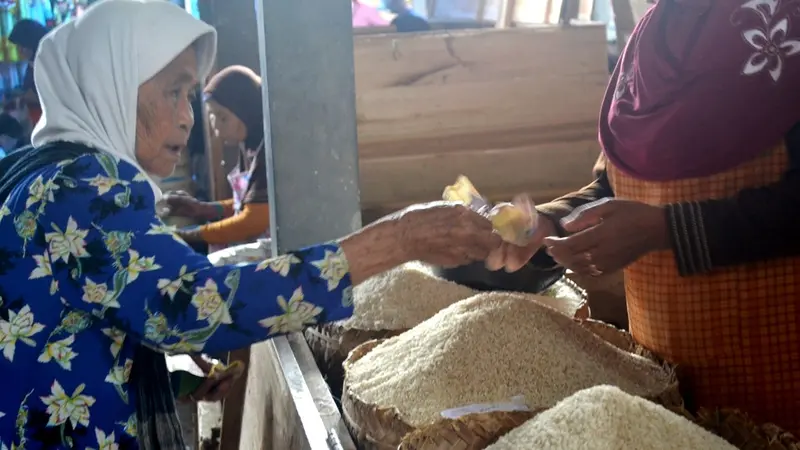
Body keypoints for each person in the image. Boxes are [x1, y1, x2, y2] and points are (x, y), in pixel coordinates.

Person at [0, 1, 500, 448]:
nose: (188, 118)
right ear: (107, 84)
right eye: (173, 91)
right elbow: (193, 306)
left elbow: (59, 332)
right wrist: (399, 239)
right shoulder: (79, 191)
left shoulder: (39, 172)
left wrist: (175, 385)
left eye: (190, 94)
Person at [488, 0, 800, 434]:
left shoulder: (786, 27)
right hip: (663, 372)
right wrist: (548, 224)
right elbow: (618, 182)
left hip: (775, 374)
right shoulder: (658, 32)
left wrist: (666, 230)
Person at [162, 65, 270, 253]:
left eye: (222, 117)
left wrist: (189, 235)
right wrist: (202, 209)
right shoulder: (249, 147)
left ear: (245, 110)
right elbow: (246, 205)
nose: (216, 127)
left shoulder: (266, 152)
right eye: (212, 116)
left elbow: (251, 221)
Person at [8, 19, 48, 126]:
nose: (19, 50)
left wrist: (26, 96)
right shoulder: (32, 63)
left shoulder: (46, 63)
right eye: (18, 46)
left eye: (22, 46)